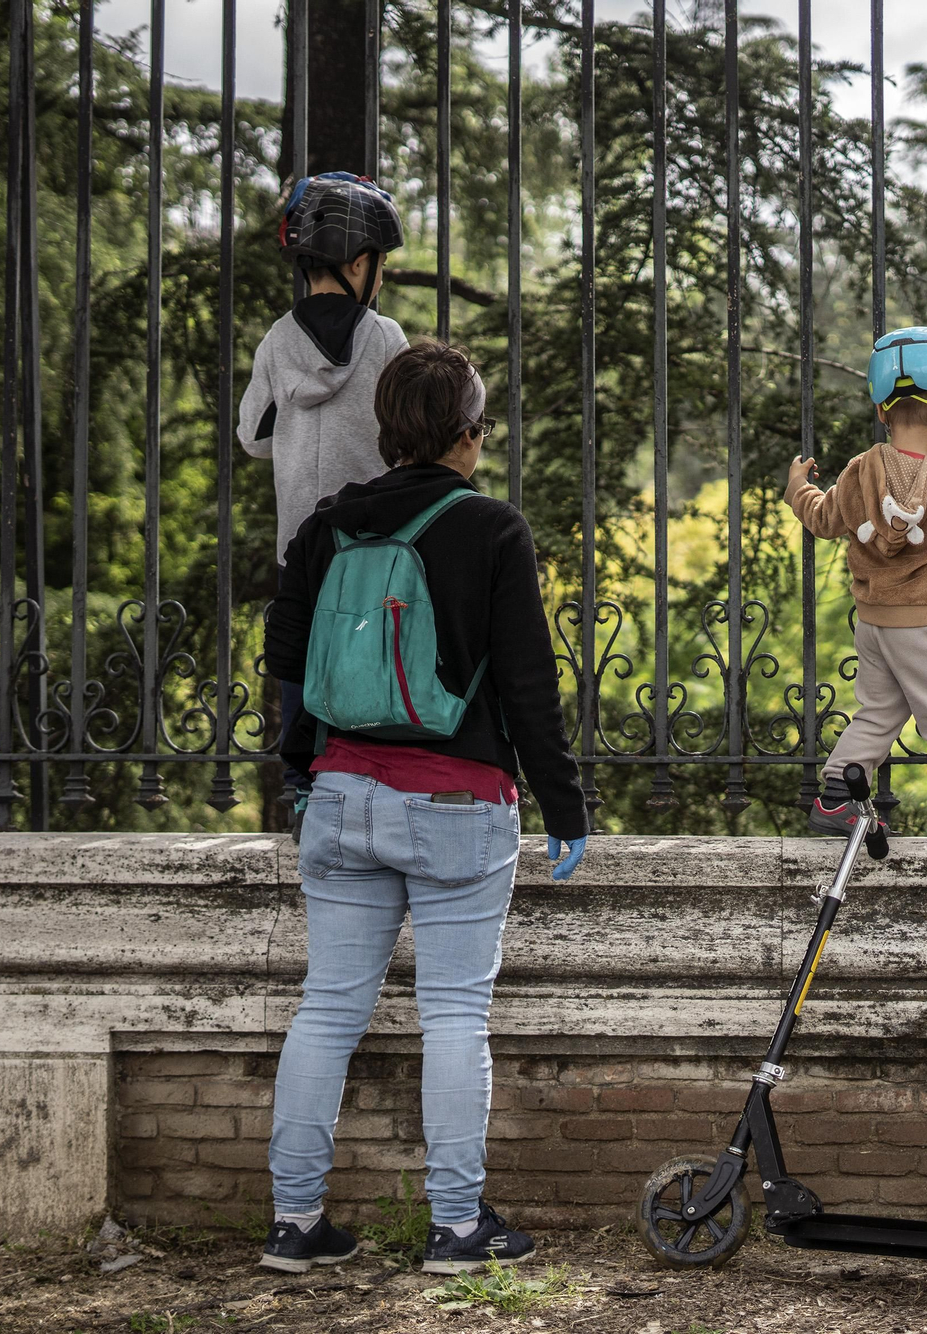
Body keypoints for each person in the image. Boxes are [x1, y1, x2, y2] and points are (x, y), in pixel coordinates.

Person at [257, 339, 588, 1276]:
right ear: (468, 437)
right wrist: (564, 808)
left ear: (384, 428)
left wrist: (303, 774)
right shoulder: (491, 528)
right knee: (452, 1016)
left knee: (326, 1010)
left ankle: (293, 1223)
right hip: (457, 800)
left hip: (343, 793)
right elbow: (529, 685)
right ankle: (455, 1228)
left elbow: (291, 665)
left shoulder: (327, 523)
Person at [785, 326, 927, 849]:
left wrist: (798, 487)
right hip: (925, 624)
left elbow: (823, 519)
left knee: (880, 711)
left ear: (882, 410)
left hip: (874, 622)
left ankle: (835, 800)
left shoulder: (857, 473)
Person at [241, 171, 409, 832]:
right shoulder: (385, 338)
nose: (384, 277)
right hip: (370, 538)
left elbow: (252, 437)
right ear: (359, 260)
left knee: (301, 649)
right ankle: (373, 771)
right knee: (370, 650)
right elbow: (404, 433)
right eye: (383, 264)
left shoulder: (278, 340)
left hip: (298, 541)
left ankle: (301, 781)